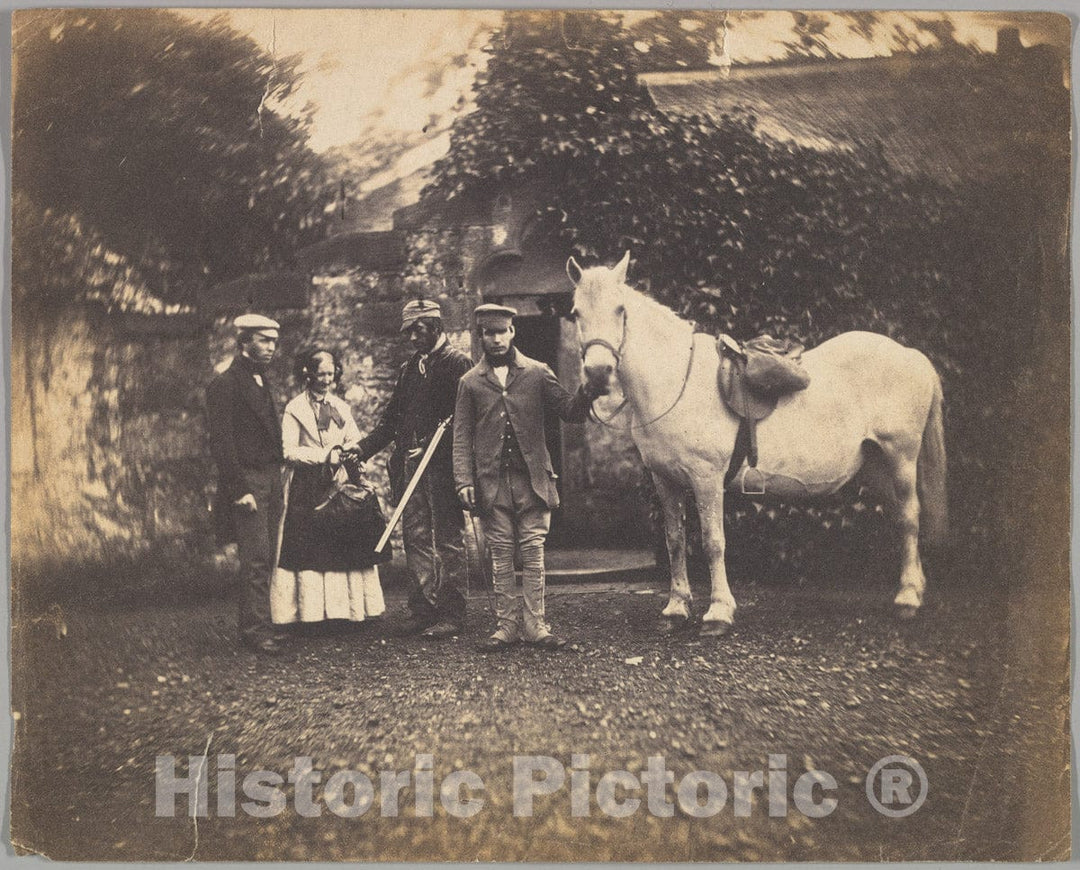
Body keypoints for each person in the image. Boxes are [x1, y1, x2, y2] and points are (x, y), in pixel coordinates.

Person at [453, 303, 597, 652]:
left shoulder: (537, 372)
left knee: (533, 553)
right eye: (489, 333)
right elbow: (461, 435)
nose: (497, 339)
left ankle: (536, 626)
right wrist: (463, 481)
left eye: (502, 332)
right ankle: (506, 627)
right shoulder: (470, 383)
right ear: (481, 337)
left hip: (533, 479)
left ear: (513, 332)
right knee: (501, 555)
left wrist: (588, 390)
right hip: (492, 482)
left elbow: (568, 411)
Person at [353, 298, 473, 638]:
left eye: (417, 330)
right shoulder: (409, 370)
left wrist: (445, 451)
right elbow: (390, 421)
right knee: (415, 536)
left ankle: (452, 614)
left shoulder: (459, 364)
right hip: (410, 465)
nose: (411, 338)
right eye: (408, 332)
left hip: (443, 465)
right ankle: (423, 609)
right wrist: (360, 449)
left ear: (435, 327)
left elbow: (468, 421)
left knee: (448, 538)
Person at [271, 349, 389, 630]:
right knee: (307, 547)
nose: (326, 379)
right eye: (320, 374)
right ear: (307, 374)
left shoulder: (341, 407)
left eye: (330, 373)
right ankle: (310, 615)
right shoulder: (295, 408)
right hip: (307, 486)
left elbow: (354, 439)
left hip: (340, 482)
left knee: (344, 541)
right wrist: (325, 456)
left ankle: (347, 611)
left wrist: (353, 460)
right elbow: (288, 451)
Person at [206, 313, 288, 655]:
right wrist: (239, 490)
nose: (271, 347)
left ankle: (260, 623)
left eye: (273, 341)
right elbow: (222, 444)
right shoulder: (224, 384)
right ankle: (255, 631)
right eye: (263, 340)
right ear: (244, 343)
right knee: (254, 557)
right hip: (249, 480)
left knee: (267, 555)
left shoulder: (260, 378)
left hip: (270, 476)